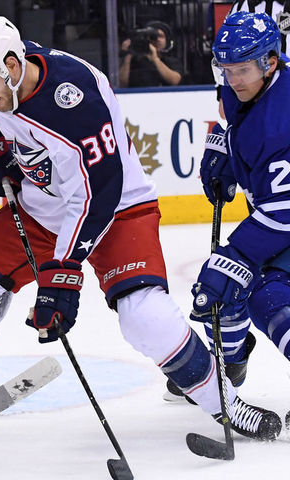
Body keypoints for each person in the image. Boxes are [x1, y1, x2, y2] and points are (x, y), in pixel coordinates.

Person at [0, 15, 283, 442]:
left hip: (117, 208)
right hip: (42, 210)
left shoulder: (73, 99)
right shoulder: (0, 76)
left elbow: (96, 194)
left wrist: (61, 278)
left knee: (145, 318)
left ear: (12, 66)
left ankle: (226, 403)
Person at [188, 12, 290, 427]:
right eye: (226, 69)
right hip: (276, 217)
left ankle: (225, 365)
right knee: (230, 288)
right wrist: (224, 149)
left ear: (270, 62)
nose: (233, 80)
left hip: (282, 218)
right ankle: (226, 371)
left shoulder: (283, 121)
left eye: (242, 69)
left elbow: (285, 211)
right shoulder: (246, 87)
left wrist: (239, 255)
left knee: (265, 297)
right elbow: (235, 122)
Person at [119, 20, 182, 87]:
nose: (158, 39)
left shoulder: (172, 61)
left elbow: (175, 81)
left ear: (167, 40)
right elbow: (121, 84)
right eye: (153, 37)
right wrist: (128, 54)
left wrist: (155, 59)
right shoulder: (135, 62)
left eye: (161, 36)